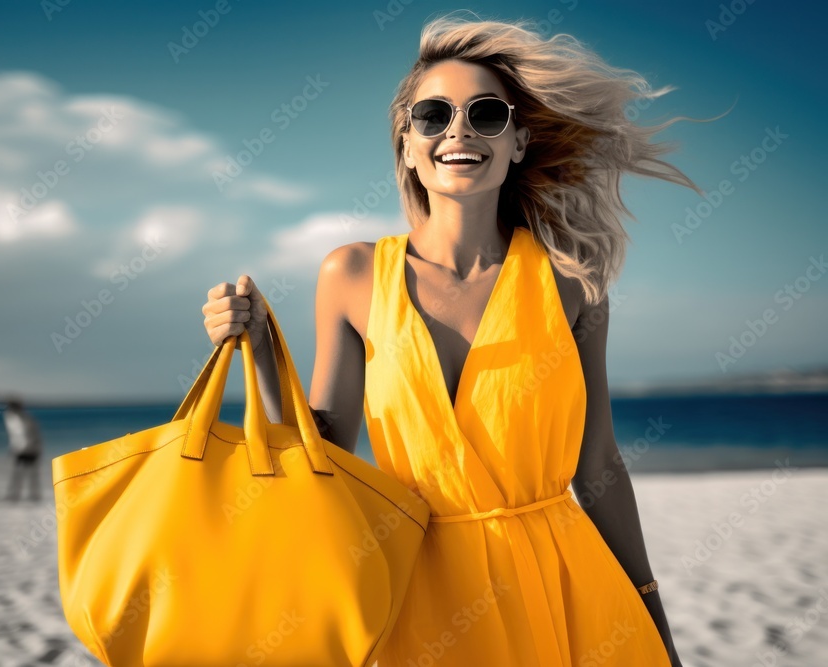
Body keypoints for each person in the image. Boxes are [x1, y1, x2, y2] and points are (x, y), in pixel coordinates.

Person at [202, 12, 717, 666]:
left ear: (519, 141)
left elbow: (601, 469)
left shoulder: (570, 285)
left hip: (563, 588)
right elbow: (324, 453)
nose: (458, 131)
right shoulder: (353, 274)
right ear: (407, 141)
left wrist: (650, 606)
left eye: (485, 114)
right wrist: (260, 351)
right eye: (433, 115)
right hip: (421, 597)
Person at [3, 398, 43, 502]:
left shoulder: (14, 418)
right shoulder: (18, 418)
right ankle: (19, 494)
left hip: (27, 448)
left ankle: (29, 494)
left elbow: (24, 434)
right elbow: (21, 434)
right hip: (24, 448)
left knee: (26, 473)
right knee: (21, 473)